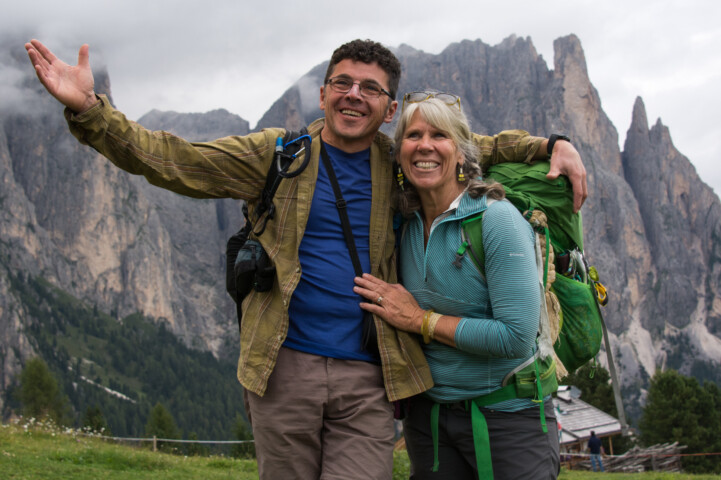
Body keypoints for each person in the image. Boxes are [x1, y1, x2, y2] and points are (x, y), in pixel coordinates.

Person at [25, 38, 586, 479]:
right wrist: (91, 111)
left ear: (388, 109)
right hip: (282, 369)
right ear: (321, 95)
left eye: (370, 89)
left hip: (370, 375)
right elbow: (174, 159)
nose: (353, 95)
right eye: (341, 83)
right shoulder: (277, 155)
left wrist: (550, 143)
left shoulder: (402, 160)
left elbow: (470, 146)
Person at [354, 95, 562, 479]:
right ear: (399, 154)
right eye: (413, 135)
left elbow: (516, 337)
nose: (425, 146)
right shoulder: (405, 224)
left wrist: (419, 320)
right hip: (429, 421)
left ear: (463, 154)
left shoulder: (496, 221)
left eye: (439, 135)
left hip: (508, 420)